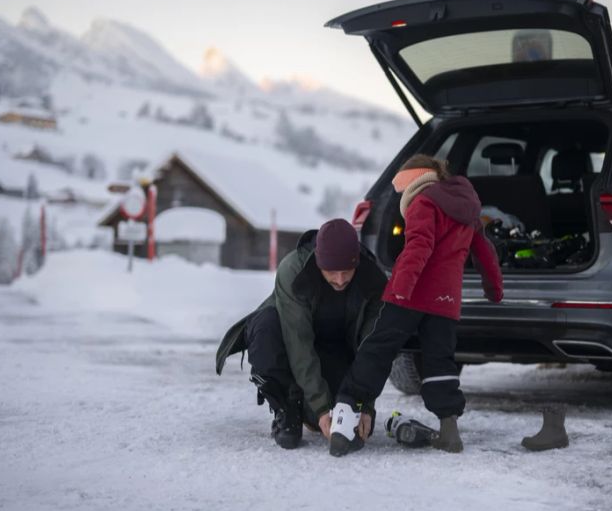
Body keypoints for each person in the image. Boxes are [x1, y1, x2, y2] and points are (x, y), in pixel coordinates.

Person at [328, 154, 504, 457]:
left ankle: (345, 422)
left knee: (378, 349)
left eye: (400, 187)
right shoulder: (466, 210)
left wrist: (401, 288)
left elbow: (419, 246)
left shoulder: (425, 202)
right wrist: (494, 288)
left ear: (413, 180)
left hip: (412, 294)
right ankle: (449, 430)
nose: (399, 194)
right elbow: (484, 251)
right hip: (446, 300)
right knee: (440, 361)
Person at [216, 219, 387, 449]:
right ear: (318, 262)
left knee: (347, 422)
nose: (339, 280)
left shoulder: (374, 280)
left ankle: (315, 410)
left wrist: (363, 403)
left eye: (347, 272)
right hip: (292, 343)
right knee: (264, 330)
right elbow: (299, 343)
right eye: (331, 272)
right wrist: (322, 407)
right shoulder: (293, 270)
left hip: (337, 352)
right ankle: (287, 408)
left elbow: (374, 348)